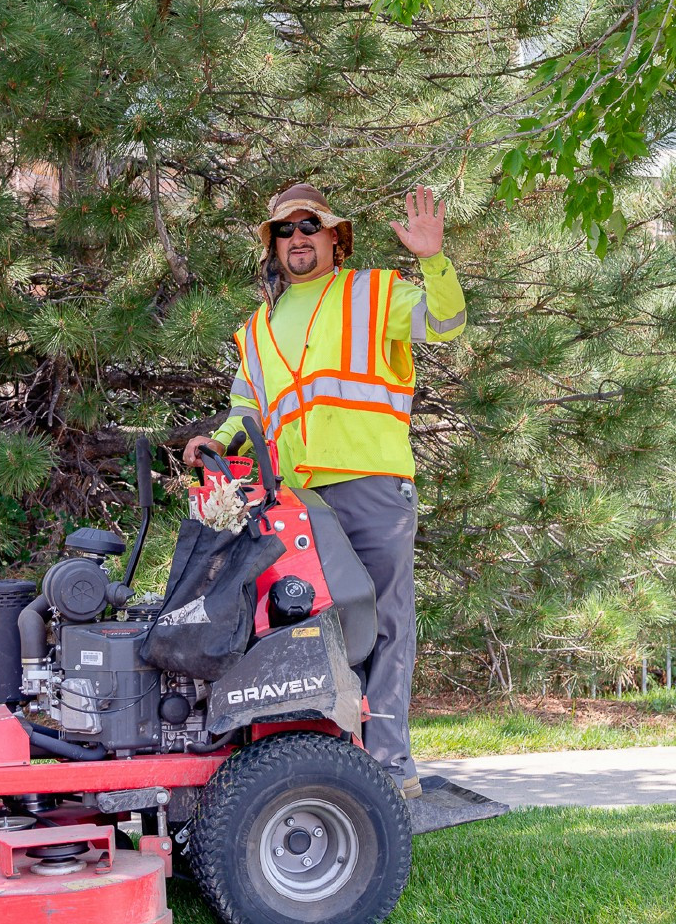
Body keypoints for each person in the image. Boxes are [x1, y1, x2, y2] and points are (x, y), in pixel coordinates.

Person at [182, 182, 466, 799]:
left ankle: (389, 761)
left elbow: (446, 322)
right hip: (296, 499)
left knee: (386, 617)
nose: (297, 238)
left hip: (371, 481)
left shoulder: (372, 292)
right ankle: (330, 756)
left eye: (309, 226)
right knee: (300, 622)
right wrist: (219, 442)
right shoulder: (256, 330)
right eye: (284, 231)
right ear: (273, 246)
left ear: (335, 238)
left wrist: (433, 259)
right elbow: (245, 407)